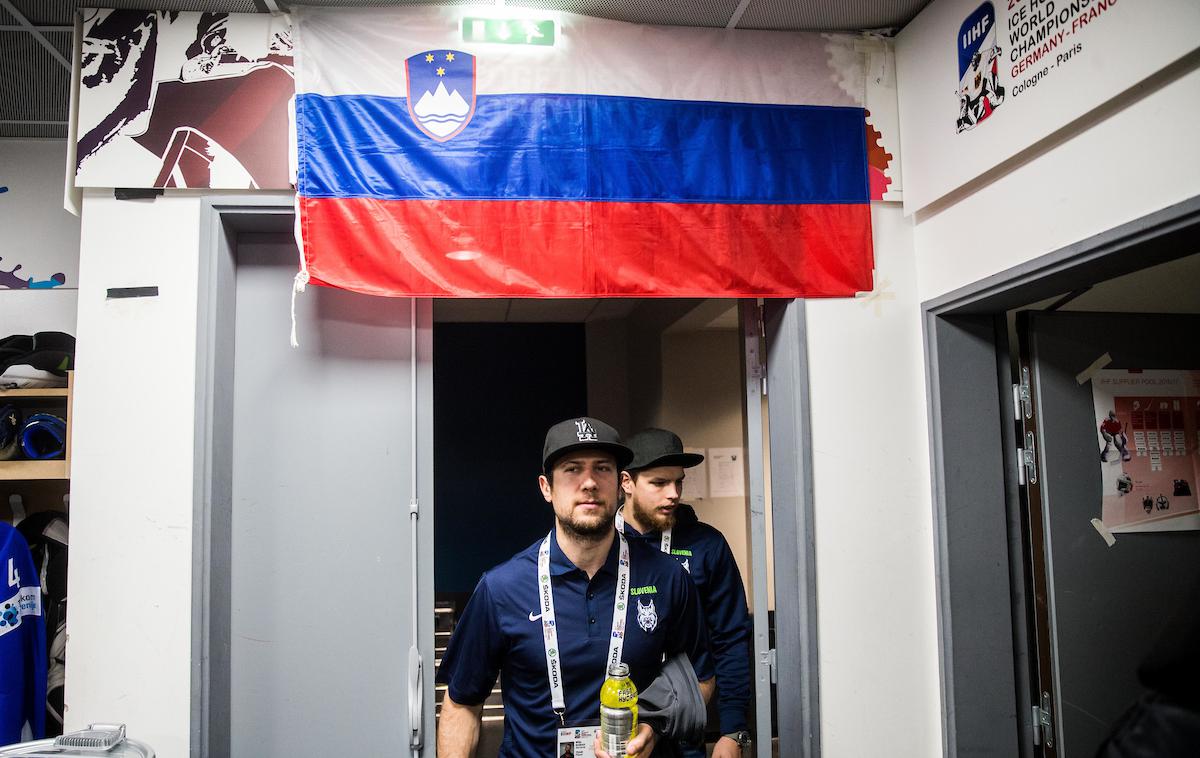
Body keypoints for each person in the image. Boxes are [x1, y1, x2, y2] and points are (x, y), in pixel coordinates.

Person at [436, 417, 713, 758]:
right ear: (546, 487)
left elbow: (701, 679)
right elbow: (462, 704)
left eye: (602, 469)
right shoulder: (501, 589)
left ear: (620, 482)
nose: (589, 483)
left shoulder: (667, 578)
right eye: (572, 469)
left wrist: (654, 727)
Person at [618, 428, 754, 758]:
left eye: (678, 482)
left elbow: (731, 638)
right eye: (659, 483)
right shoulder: (601, 546)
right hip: (615, 722)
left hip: (683, 727)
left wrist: (733, 730)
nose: (673, 493)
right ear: (627, 483)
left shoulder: (707, 545)